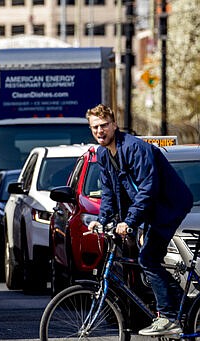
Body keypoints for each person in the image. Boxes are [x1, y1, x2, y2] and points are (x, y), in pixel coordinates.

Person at [86, 104, 193, 337]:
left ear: (114, 124)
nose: (100, 131)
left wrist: (131, 222)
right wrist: (102, 220)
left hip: (168, 205)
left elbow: (148, 189)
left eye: (104, 125)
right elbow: (109, 192)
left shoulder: (136, 149)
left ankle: (168, 317)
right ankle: (183, 308)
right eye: (95, 127)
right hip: (151, 209)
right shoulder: (103, 154)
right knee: (147, 258)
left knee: (148, 258)